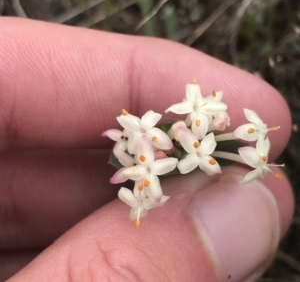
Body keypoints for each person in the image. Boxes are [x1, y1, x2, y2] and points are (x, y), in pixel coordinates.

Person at [0, 17, 294, 282]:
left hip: (184, 152)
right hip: (173, 156)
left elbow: (184, 150)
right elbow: (174, 151)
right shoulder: (163, 150)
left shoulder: (198, 142)